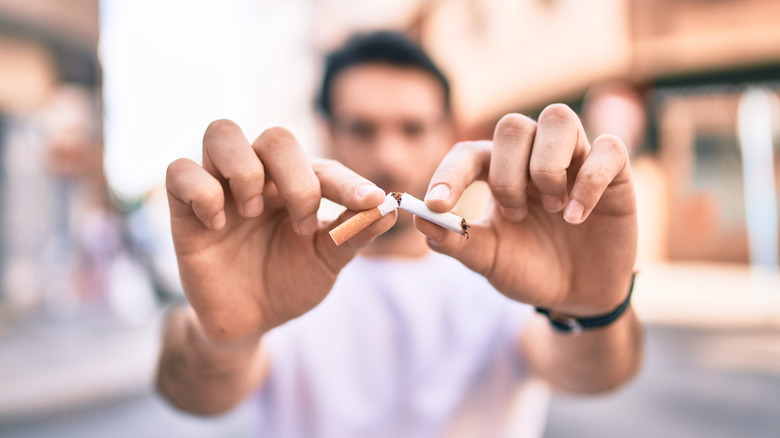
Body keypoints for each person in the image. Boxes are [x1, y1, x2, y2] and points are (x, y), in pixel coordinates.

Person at [157, 31, 642, 437]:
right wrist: (224, 338)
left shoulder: (506, 266)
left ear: (449, 130)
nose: (389, 156)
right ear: (327, 131)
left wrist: (593, 307)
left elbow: (593, 375)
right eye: (363, 129)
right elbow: (193, 394)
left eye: (412, 129)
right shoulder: (277, 265)